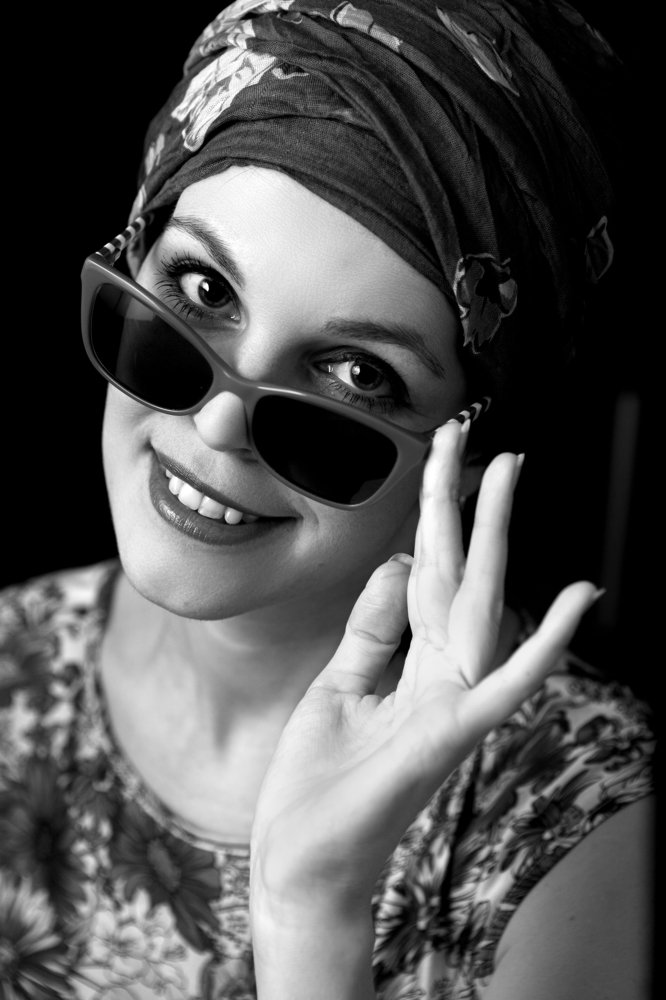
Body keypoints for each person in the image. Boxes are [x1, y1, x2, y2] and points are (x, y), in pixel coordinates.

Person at [0, 2, 655, 998]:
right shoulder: (11, 662)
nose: (221, 420)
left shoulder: (586, 824)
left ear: (468, 453)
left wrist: (312, 914)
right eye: (202, 289)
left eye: (357, 374)